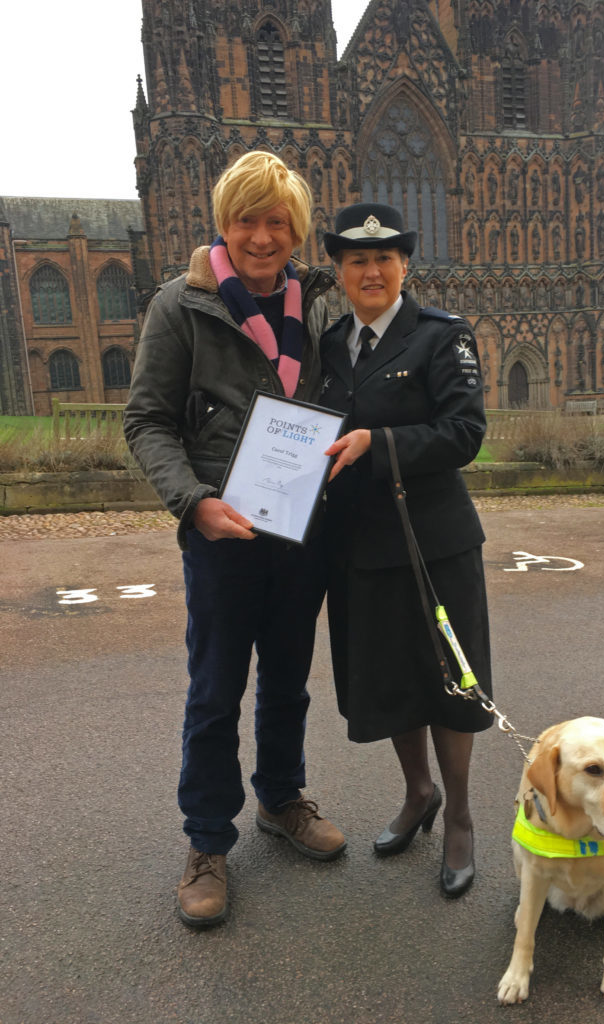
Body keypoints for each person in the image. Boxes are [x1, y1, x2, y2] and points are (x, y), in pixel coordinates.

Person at [123, 151, 346, 929]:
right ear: (224, 223)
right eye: (247, 219)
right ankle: (207, 842)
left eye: (276, 221)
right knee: (216, 691)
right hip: (220, 531)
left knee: (289, 678)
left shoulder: (319, 306)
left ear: (296, 231)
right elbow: (146, 421)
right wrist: (194, 503)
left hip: (297, 532)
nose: (261, 235)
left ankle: (282, 799)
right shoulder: (179, 306)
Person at [319, 203, 493, 897]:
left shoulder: (441, 337)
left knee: (449, 681)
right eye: (357, 259)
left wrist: (380, 443)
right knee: (393, 681)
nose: (371, 270)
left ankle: (460, 816)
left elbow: (465, 434)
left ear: (405, 266)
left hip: (435, 544)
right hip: (360, 546)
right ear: (338, 270)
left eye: (385, 258)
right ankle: (417, 792)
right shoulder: (332, 345)